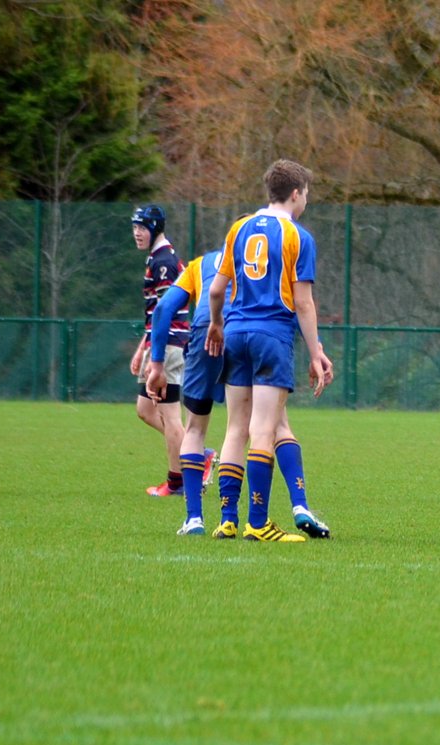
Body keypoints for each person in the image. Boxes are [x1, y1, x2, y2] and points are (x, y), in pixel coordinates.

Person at [206, 159, 334, 544]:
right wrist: (315, 353)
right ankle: (258, 523)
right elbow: (303, 303)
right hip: (271, 335)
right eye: (306, 193)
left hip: (235, 332)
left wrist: (216, 323)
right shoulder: (298, 236)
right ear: (296, 194)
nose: (306, 200)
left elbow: (216, 289)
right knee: (263, 429)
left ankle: (227, 519)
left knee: (235, 428)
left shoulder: (239, 228)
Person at [146, 250, 221, 533]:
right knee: (247, 427)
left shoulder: (200, 264)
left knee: (193, 427)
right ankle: (238, 520)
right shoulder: (262, 262)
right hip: (247, 334)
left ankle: (193, 518)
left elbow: (163, 309)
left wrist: (156, 363)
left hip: (200, 335)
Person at [128, 204, 189, 497]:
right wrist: (143, 347)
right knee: (145, 409)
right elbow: (155, 313)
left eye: (141, 227)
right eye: (134, 227)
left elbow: (166, 312)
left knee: (170, 415)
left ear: (155, 228)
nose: (136, 233)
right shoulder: (157, 258)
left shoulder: (164, 262)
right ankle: (196, 454)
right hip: (159, 343)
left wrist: (157, 356)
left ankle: (178, 482)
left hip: (169, 346)